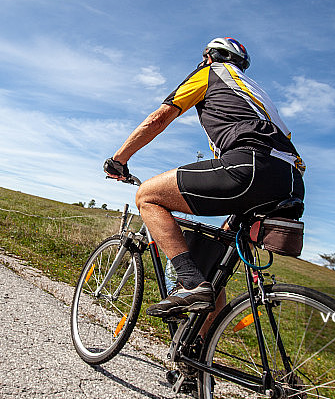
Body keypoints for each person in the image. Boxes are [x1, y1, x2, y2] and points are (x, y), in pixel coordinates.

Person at [104, 37, 305, 319]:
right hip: (291, 182)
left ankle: (189, 283)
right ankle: (195, 351)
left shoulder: (210, 72)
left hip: (250, 167)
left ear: (209, 56)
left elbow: (157, 119)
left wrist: (119, 160)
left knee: (147, 196)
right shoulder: (256, 93)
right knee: (214, 261)